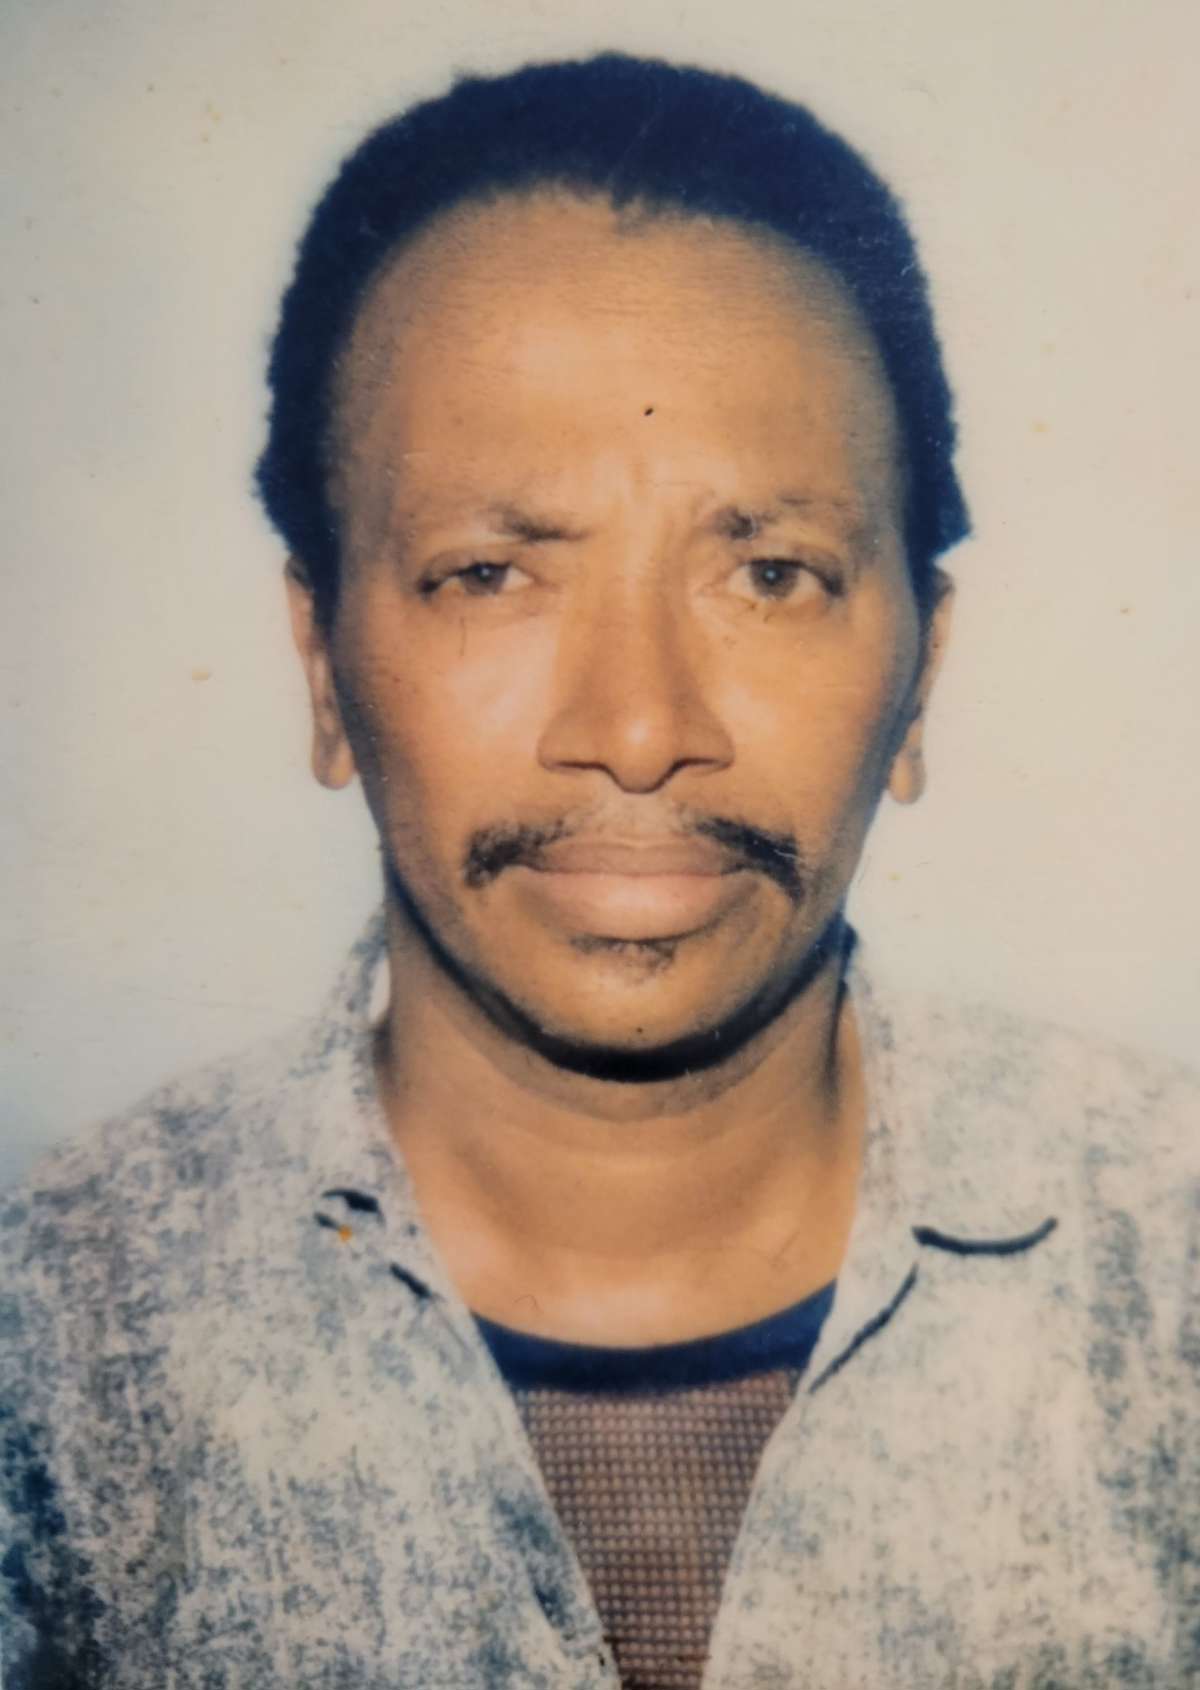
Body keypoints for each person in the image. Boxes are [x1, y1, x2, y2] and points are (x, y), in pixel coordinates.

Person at [0, 51, 1194, 1690]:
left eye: (771, 575)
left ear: (921, 676)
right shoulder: (50, 1350)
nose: (638, 729)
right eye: (491, 573)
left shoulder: (1171, 1273)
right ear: (322, 662)